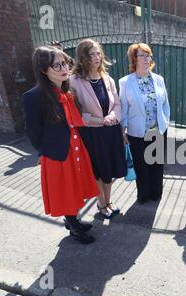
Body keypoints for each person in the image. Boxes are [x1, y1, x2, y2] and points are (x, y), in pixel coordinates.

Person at [22, 46, 99, 244]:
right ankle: (75, 228)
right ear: (43, 70)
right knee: (66, 191)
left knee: (74, 187)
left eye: (65, 63)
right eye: (56, 65)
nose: (64, 68)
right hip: (57, 153)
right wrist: (45, 151)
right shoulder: (33, 96)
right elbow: (33, 131)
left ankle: (73, 220)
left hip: (75, 148)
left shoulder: (66, 89)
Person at [70, 38, 127, 219]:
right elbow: (74, 112)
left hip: (110, 131)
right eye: (92, 54)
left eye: (98, 53)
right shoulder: (74, 81)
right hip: (91, 134)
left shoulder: (107, 79)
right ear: (83, 57)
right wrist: (96, 120)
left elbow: (117, 104)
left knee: (109, 168)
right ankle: (101, 202)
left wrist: (113, 117)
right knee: (97, 170)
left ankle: (108, 201)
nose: (97, 57)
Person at [119, 43, 170, 204]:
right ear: (134, 58)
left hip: (158, 130)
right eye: (143, 55)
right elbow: (123, 108)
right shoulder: (125, 82)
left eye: (149, 55)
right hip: (137, 132)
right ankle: (144, 194)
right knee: (141, 165)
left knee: (157, 164)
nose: (147, 59)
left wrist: (165, 123)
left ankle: (156, 192)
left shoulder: (158, 79)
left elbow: (165, 105)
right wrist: (123, 131)